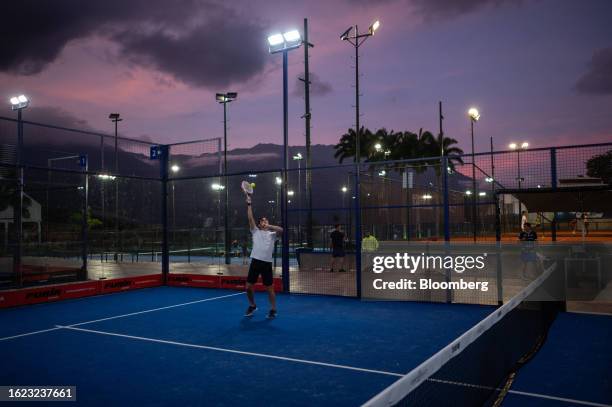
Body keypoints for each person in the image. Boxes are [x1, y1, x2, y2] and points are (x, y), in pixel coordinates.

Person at [244, 192, 282, 319]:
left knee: (269, 289)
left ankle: (273, 309)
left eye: (266, 220)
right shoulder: (255, 231)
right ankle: (252, 305)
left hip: (266, 264)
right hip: (255, 262)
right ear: (259, 224)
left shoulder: (272, 234)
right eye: (262, 221)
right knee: (248, 287)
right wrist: (249, 203)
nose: (264, 222)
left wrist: (269, 225)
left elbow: (281, 230)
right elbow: (250, 218)